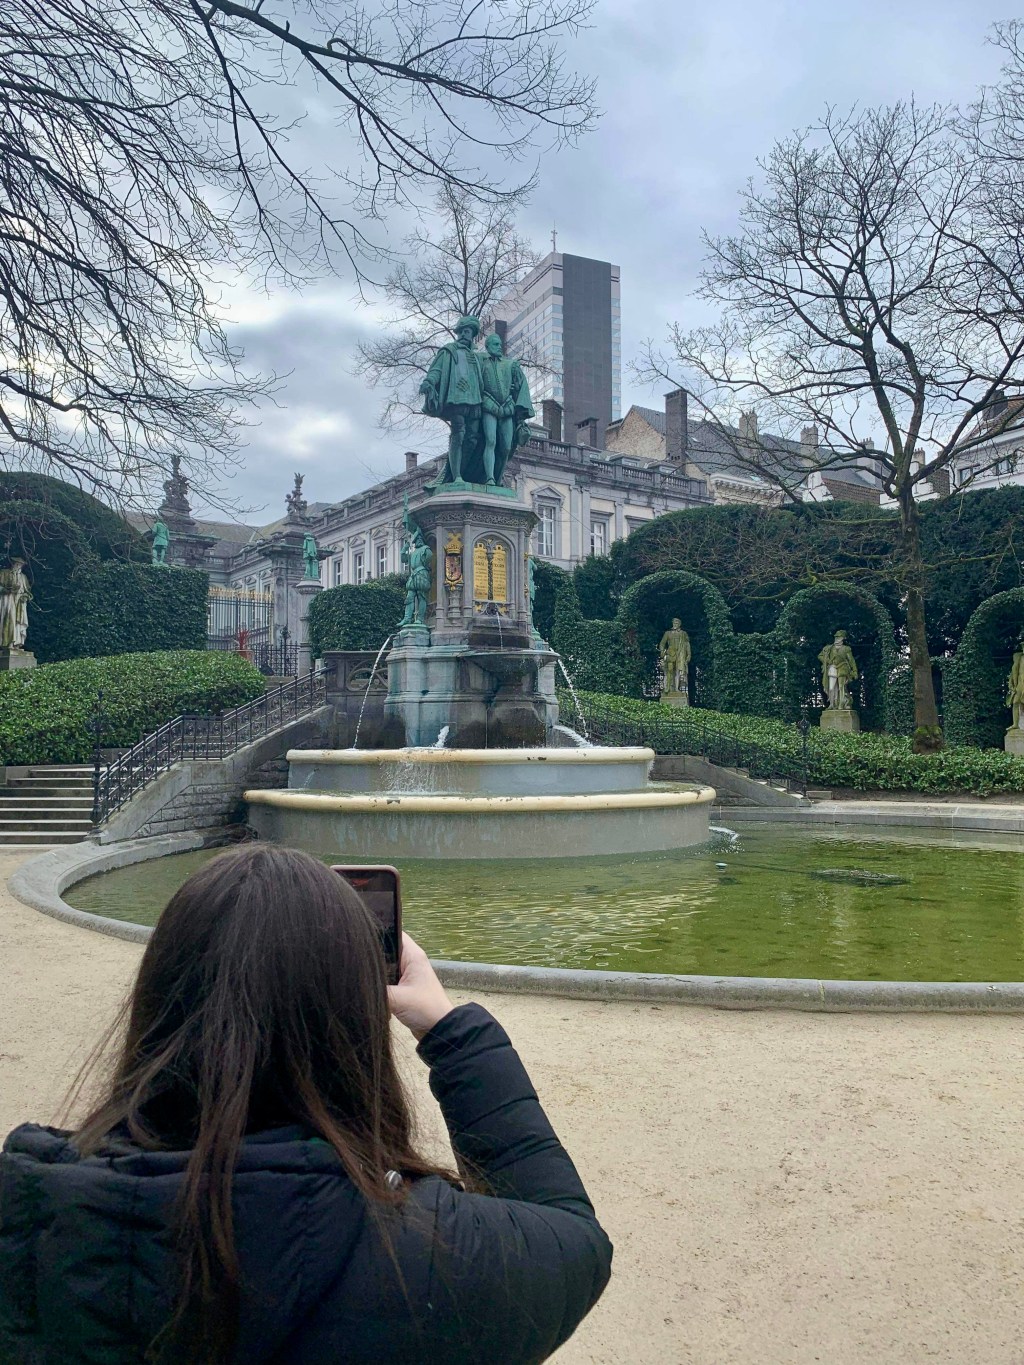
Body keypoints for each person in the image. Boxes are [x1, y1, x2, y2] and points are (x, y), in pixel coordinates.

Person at [0, 846, 612, 1363]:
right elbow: (574, 1236)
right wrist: (448, 1029)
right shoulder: (433, 1260)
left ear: (160, 994)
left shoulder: (30, 1211)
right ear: (349, 1021)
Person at [419, 316, 485, 484]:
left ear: (473, 334)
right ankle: (456, 476)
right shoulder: (449, 350)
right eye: (461, 331)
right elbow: (437, 370)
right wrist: (429, 381)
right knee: (458, 434)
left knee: (473, 438)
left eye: (467, 331)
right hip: (456, 399)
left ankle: (463, 473)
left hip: (475, 401)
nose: (463, 334)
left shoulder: (478, 357)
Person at [478, 332, 535, 486]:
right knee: (490, 441)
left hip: (507, 408)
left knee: (507, 447)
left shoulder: (510, 364)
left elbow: (521, 386)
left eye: (499, 344)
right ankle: (489, 477)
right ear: (488, 346)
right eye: (495, 344)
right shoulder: (481, 362)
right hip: (488, 405)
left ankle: (497, 478)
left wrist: (520, 408)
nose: (499, 347)